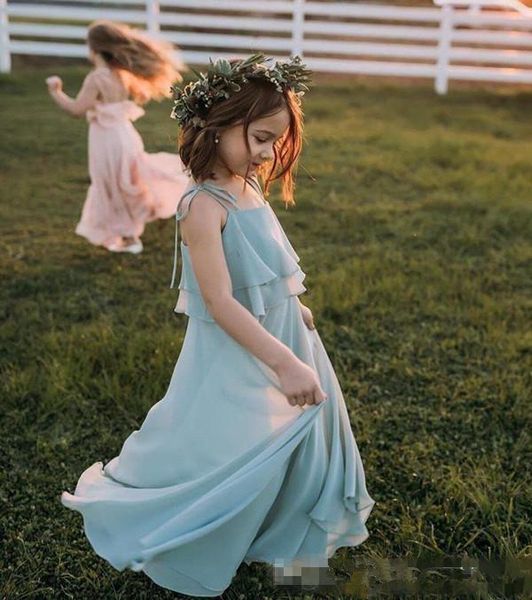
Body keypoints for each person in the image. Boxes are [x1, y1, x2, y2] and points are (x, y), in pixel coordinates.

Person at [61, 54, 374, 596]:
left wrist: (290, 308)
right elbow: (222, 302)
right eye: (258, 137)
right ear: (217, 126)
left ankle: (279, 530)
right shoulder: (202, 207)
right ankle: (194, 520)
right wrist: (283, 358)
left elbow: (264, 269)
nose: (267, 153)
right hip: (244, 348)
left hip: (284, 332)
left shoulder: (247, 188)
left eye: (275, 140)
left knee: (291, 433)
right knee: (231, 438)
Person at [46, 20, 188, 253]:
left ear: (93, 49)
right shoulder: (120, 75)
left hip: (106, 139)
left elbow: (76, 110)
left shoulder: (96, 78)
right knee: (126, 181)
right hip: (125, 135)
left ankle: (129, 237)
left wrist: (56, 91)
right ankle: (128, 234)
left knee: (110, 183)